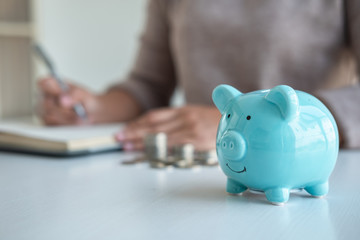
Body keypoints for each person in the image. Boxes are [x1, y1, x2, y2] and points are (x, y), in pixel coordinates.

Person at [38, 0, 360, 150]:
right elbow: (148, 85)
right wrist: (96, 107)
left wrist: (236, 123)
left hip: (307, 167)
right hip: (194, 164)